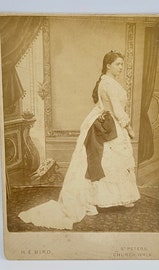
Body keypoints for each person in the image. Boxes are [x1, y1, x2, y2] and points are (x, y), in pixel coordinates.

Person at [18, 50, 140, 230]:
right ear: (108, 65)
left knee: (111, 162)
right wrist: (129, 128)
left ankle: (116, 197)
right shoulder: (107, 84)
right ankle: (101, 199)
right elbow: (116, 109)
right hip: (111, 125)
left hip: (108, 123)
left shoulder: (107, 82)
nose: (121, 68)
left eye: (122, 64)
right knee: (106, 161)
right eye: (118, 64)